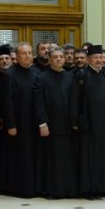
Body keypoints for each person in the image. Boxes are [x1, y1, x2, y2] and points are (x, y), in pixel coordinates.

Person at [72, 45, 105, 198]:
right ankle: (90, 189)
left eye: (101, 57)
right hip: (89, 125)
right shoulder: (81, 75)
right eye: (96, 57)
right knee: (90, 158)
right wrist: (76, 121)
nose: (99, 60)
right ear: (89, 59)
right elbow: (75, 101)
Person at [33, 48, 77, 198]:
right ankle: (53, 190)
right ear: (50, 60)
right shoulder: (42, 78)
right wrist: (42, 123)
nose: (58, 59)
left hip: (68, 126)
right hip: (51, 125)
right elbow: (38, 103)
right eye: (55, 57)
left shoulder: (71, 77)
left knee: (68, 159)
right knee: (53, 160)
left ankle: (69, 189)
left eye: (61, 57)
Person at [0, 43, 42, 197]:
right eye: (24, 53)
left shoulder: (36, 73)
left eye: (30, 53)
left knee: (33, 156)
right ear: (16, 56)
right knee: (20, 156)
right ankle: (19, 188)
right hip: (17, 123)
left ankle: (34, 187)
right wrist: (11, 124)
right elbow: (7, 102)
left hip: (33, 122)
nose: (28, 56)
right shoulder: (10, 74)